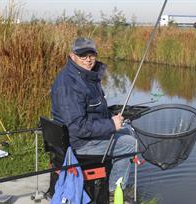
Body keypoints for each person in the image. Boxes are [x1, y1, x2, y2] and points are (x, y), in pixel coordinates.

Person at [50, 37, 136, 193]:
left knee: (128, 130)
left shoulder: (85, 76)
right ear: (72, 55)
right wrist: (111, 125)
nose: (88, 60)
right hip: (78, 143)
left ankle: (110, 177)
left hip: (84, 135)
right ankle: (114, 192)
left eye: (92, 55)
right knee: (129, 143)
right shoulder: (70, 84)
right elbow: (77, 128)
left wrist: (112, 117)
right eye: (83, 55)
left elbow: (93, 110)